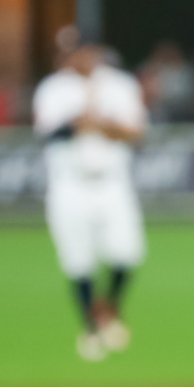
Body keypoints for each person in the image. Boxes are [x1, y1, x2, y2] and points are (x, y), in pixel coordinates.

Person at [33, 31, 147, 361]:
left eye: (83, 50)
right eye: (71, 51)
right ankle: (90, 327)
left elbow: (135, 133)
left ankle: (109, 307)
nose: (78, 57)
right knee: (77, 260)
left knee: (127, 254)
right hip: (69, 183)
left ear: (95, 51)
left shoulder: (120, 84)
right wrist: (82, 123)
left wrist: (98, 124)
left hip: (112, 182)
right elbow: (49, 133)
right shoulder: (53, 88)